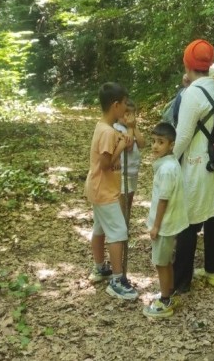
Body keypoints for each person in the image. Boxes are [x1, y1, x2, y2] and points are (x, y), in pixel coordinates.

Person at [172, 40, 214, 293]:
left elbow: (183, 136)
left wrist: (168, 160)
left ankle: (180, 282)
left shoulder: (192, 94)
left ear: (187, 65)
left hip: (196, 165)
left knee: (188, 218)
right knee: (213, 215)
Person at [84, 82, 138, 300]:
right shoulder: (107, 132)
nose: (126, 107)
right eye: (124, 103)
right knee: (118, 231)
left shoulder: (104, 127)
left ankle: (99, 267)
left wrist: (123, 140)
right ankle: (117, 280)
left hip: (98, 188)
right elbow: (106, 164)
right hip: (104, 190)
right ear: (115, 105)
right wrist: (121, 147)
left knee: (99, 227)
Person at [142, 122, 189, 318]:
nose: (155, 146)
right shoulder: (169, 163)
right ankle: (168, 290)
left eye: (160, 142)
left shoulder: (167, 169)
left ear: (171, 145)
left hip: (164, 224)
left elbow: (163, 199)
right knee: (166, 260)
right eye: (153, 141)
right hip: (168, 223)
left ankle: (165, 301)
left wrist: (156, 226)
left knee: (161, 262)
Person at [114, 98, 144, 220]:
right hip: (123, 172)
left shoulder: (132, 128)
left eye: (132, 114)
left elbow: (142, 143)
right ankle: (121, 227)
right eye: (127, 114)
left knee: (129, 203)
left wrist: (134, 127)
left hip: (133, 171)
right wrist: (131, 128)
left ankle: (126, 225)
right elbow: (129, 145)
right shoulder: (117, 128)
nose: (130, 118)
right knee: (122, 204)